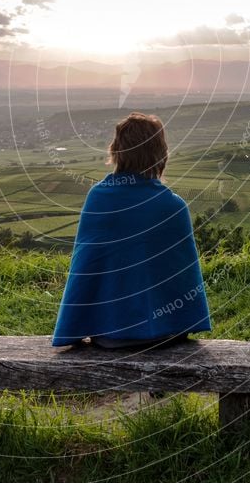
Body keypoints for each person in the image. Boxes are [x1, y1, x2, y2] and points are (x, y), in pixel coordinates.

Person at [51, 112, 212, 348]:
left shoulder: (98, 199)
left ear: (116, 151)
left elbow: (86, 268)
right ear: (160, 154)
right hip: (166, 334)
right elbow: (182, 280)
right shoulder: (173, 206)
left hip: (109, 336)